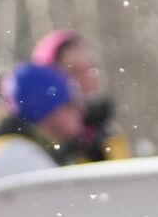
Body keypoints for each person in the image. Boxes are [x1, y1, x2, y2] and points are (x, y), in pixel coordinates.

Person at [0, 63, 84, 185]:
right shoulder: (18, 156)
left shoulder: (23, 148)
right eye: (71, 103)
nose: (80, 110)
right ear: (48, 108)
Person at [30, 29, 128, 162]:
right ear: (48, 80)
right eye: (74, 71)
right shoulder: (25, 138)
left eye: (91, 69)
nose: (88, 80)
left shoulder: (108, 136)